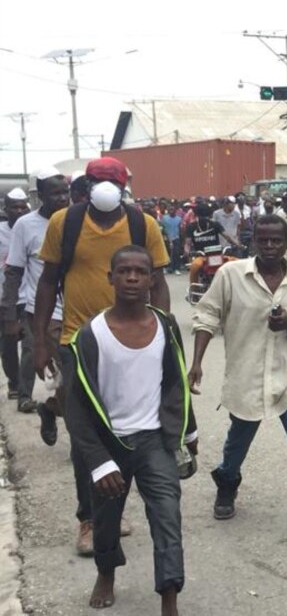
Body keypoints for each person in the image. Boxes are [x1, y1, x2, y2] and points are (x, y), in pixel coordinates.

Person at [34, 157, 171, 557]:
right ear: (87, 185)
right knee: (85, 434)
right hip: (80, 340)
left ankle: (113, 508)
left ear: (125, 185)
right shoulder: (66, 222)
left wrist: (165, 333)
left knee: (129, 428)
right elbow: (47, 282)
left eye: (114, 180)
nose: (106, 187)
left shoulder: (141, 224)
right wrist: (42, 340)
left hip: (134, 341)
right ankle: (89, 519)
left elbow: (159, 282)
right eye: (99, 180)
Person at [62, 245, 195, 615]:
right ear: (111, 278)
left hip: (154, 440)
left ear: (153, 279)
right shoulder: (91, 335)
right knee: (105, 520)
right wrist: (100, 462)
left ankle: (169, 595)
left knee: (167, 514)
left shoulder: (165, 326)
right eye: (124, 271)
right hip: (110, 443)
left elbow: (176, 382)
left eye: (141, 271)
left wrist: (189, 432)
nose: (133, 278)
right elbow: (77, 409)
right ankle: (106, 572)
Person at [190, 214, 287, 540]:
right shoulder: (231, 274)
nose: (269, 246)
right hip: (246, 375)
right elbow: (207, 315)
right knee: (238, 442)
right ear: (253, 241)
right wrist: (196, 362)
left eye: (276, 240)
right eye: (263, 240)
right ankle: (227, 484)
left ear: (286, 243)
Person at [4, 173, 68, 419]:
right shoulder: (25, 225)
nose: (63, 198)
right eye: (55, 193)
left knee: (78, 372)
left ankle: (53, 407)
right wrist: (10, 315)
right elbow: (14, 271)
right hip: (43, 311)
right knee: (54, 363)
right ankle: (25, 395)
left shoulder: (75, 219)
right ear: (40, 196)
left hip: (79, 307)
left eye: (65, 192)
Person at [0, 188, 30, 401]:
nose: (19, 211)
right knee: (8, 343)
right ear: (6, 209)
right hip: (5, 297)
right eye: (14, 207)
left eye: (22, 207)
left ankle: (24, 389)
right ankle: (14, 381)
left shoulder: (30, 228)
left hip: (28, 296)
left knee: (30, 343)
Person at [160, 207, 183, 275]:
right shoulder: (164, 218)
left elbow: (180, 229)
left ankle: (176, 268)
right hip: (167, 238)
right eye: (170, 210)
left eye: (172, 209)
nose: (171, 211)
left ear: (175, 211)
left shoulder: (179, 219)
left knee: (176, 253)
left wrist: (182, 239)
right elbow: (162, 228)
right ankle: (167, 268)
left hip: (176, 238)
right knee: (167, 253)